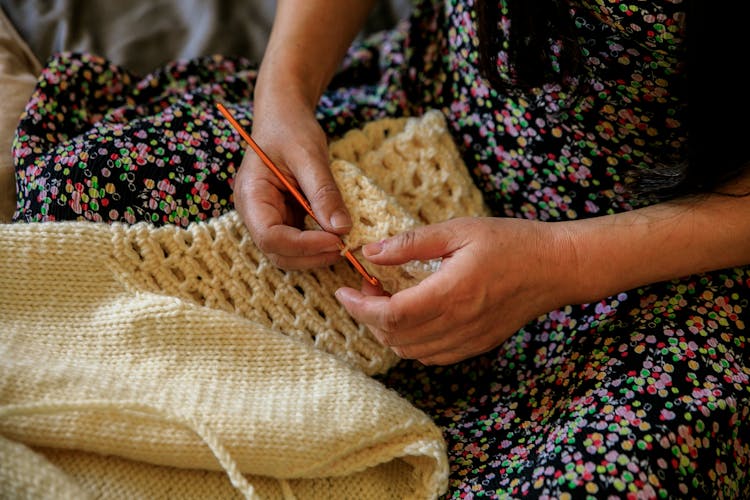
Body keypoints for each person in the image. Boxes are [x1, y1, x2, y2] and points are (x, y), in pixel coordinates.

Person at [11, 0, 750, 497]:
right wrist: (283, 101)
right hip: (435, 111)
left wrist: (566, 264)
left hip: (673, 254)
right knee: (83, 200)